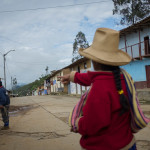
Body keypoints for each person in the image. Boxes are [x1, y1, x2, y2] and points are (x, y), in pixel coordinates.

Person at [59, 28, 137, 150]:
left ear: (94, 60)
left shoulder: (100, 89)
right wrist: (72, 76)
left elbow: (92, 124)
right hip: (128, 143)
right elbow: (92, 78)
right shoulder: (122, 78)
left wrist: (78, 124)